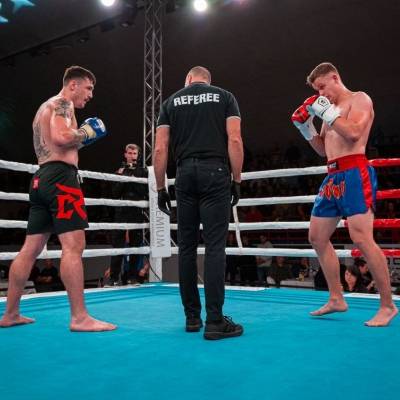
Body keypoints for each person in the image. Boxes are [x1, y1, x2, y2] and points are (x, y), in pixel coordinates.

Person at [0, 66, 116, 331]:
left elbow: (55, 143)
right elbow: (61, 138)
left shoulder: (45, 108)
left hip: (41, 179)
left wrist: (84, 136)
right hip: (62, 179)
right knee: (74, 246)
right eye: (88, 88)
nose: (91, 95)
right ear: (73, 85)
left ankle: (11, 313)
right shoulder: (63, 103)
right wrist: (87, 131)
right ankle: (80, 318)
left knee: (30, 249)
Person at [291, 62, 398, 326]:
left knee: (361, 238)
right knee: (317, 237)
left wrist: (328, 113)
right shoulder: (329, 109)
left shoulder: (359, 99)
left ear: (334, 77)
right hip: (332, 176)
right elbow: (323, 150)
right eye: (316, 91)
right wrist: (306, 128)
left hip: (354, 172)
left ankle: (387, 305)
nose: (320, 94)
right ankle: (336, 297)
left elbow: (354, 133)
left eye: (322, 87)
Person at [154, 66, 244, 340]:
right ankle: (215, 321)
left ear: (189, 79)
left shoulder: (171, 102)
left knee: (186, 248)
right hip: (215, 171)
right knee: (215, 247)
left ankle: (192, 318)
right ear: (207, 80)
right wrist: (237, 179)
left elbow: (160, 148)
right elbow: (235, 139)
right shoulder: (225, 96)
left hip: (184, 174)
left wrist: (160, 187)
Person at [109, 143, 148, 285]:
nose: (132, 156)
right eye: (130, 153)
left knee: (135, 245)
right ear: (125, 154)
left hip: (136, 210)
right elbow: (115, 193)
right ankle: (113, 278)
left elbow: (144, 192)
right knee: (117, 244)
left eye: (134, 153)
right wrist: (123, 175)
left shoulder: (143, 172)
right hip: (122, 209)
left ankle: (133, 277)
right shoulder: (119, 171)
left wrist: (133, 175)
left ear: (138, 155)